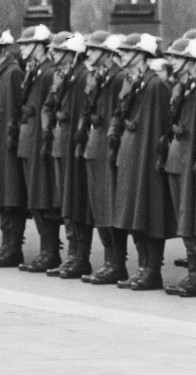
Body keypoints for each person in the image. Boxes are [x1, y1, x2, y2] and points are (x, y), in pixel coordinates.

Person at [112, 33, 175, 290]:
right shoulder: (132, 80)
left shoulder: (154, 84)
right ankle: (142, 266)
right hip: (130, 154)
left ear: (140, 54)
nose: (122, 55)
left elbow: (160, 125)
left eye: (127, 51)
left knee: (149, 212)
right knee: (131, 212)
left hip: (147, 157)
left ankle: (152, 269)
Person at [162, 30, 196, 298]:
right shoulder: (185, 85)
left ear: (192, 60)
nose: (172, 62)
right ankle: (193, 271)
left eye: (177, 58)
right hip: (177, 159)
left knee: (194, 219)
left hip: (189, 162)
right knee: (185, 219)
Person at [79, 32, 127, 285]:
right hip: (94, 145)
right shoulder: (97, 76)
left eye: (95, 50)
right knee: (99, 206)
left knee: (109, 206)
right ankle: (110, 261)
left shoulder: (118, 77)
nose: (89, 54)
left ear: (108, 53)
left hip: (107, 147)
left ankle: (116, 262)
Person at [46, 32, 91, 279]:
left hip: (73, 147)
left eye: (57, 50)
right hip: (61, 144)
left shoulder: (82, 76)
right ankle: (72, 254)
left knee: (76, 200)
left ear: (71, 53)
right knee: (65, 200)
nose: (52, 53)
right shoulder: (62, 75)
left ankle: (79, 256)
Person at [15, 25, 59, 273]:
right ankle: (47, 251)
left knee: (43, 197)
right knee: (35, 198)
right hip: (28, 141)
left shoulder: (46, 73)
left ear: (40, 46)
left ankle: (50, 251)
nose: (21, 47)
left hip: (38, 143)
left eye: (26, 43)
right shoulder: (34, 71)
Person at [0, 29, 26, 268]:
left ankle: (13, 247)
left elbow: (19, 108)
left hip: (9, 143)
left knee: (12, 196)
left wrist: (13, 135)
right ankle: (6, 245)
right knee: (3, 196)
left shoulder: (13, 72)